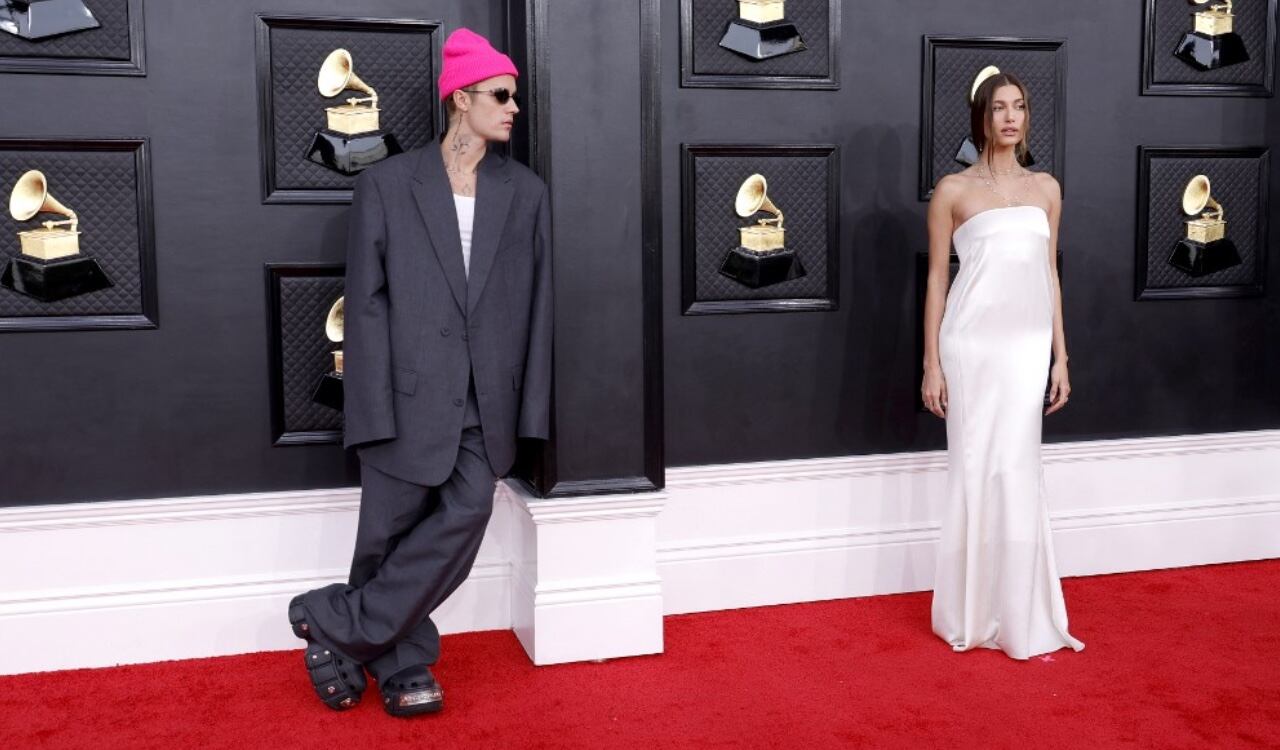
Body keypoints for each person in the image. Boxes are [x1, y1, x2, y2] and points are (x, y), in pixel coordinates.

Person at [287, 28, 552, 716]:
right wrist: (369, 405)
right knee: (387, 534)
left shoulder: (524, 192)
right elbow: (366, 305)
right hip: (403, 393)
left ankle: (335, 623)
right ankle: (404, 666)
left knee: (463, 515)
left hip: (485, 400)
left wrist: (531, 408)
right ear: (461, 99)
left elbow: (538, 303)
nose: (512, 106)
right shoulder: (387, 183)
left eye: (514, 95)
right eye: (501, 94)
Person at [921, 71, 1084, 660]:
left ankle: (1020, 610)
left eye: (1019, 107)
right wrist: (931, 363)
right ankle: (969, 611)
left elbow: (1049, 275)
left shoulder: (1046, 189)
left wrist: (1061, 356)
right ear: (981, 118)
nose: (1010, 118)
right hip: (972, 344)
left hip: (1027, 346)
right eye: (998, 109)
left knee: (1018, 469)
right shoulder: (952, 191)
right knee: (974, 468)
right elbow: (938, 279)